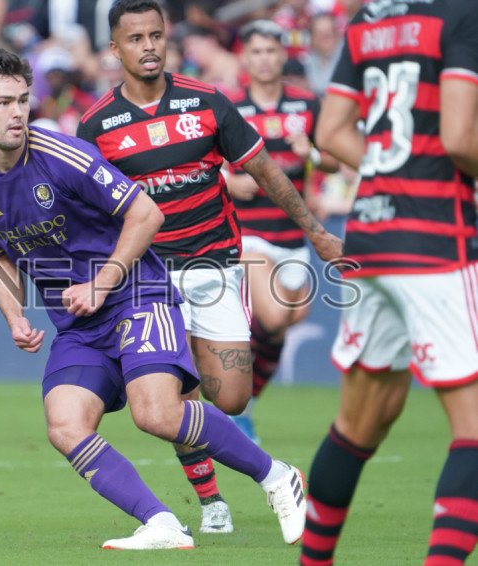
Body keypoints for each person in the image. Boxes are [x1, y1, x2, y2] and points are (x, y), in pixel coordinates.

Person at [0, 47, 309, 550]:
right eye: (4, 102)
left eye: (23, 100)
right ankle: (162, 522)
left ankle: (277, 476)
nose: (18, 113)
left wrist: (102, 283)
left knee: (157, 414)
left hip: (136, 294)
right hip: (80, 325)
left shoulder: (63, 157)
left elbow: (146, 214)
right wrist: (14, 316)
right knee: (65, 425)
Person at [76, 0, 342, 535]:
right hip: (151, 279)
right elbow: (89, 210)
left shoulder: (207, 102)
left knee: (230, 397)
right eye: (135, 38)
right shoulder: (97, 124)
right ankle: (211, 499)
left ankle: (245, 472)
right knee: (170, 395)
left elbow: (265, 171)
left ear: (167, 37)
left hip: (216, 268)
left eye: (155, 35)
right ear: (115, 48)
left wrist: (314, 229)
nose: (148, 46)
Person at [300, 1, 478, 565]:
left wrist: (390, 170)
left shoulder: (370, 19)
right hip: (436, 239)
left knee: (359, 425)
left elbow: (330, 131)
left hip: (371, 238)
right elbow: (458, 137)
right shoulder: (461, 15)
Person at [225, 20, 339, 444]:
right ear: (245, 57)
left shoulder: (307, 104)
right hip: (248, 231)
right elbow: (202, 159)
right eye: (256, 51)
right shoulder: (229, 105)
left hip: (292, 234)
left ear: (283, 54)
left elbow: (333, 158)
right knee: (273, 315)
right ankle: (229, 394)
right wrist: (228, 180)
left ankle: (244, 405)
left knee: (289, 319)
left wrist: (313, 155)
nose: (264, 59)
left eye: (271, 51)